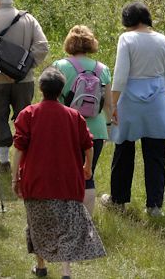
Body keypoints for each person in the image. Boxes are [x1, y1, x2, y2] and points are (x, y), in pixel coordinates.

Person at [14, 67, 106, 278]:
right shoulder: (74, 116)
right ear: (62, 90)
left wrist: (15, 177)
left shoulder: (28, 114)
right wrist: (88, 167)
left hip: (36, 182)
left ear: (40, 88)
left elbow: (19, 148)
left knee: (38, 226)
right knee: (67, 228)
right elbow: (88, 145)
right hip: (67, 182)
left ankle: (41, 267)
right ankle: (66, 271)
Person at [102, 1, 165, 217]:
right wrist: (161, 94)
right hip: (156, 100)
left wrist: (112, 104)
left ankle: (118, 200)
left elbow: (120, 76)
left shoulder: (127, 39)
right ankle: (155, 206)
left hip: (129, 100)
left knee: (123, 149)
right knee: (156, 153)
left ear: (127, 20)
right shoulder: (162, 39)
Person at [0, 0, 49, 173]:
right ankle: (25, 159)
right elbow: (42, 46)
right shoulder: (29, 19)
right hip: (24, 80)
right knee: (25, 118)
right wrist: (23, 67)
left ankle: (3, 162)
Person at [52, 26, 112, 214]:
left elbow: (51, 101)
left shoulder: (60, 66)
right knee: (88, 175)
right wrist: (107, 126)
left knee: (64, 175)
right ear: (91, 44)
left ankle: (67, 219)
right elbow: (109, 105)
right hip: (96, 129)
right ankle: (87, 224)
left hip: (67, 129)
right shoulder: (103, 69)